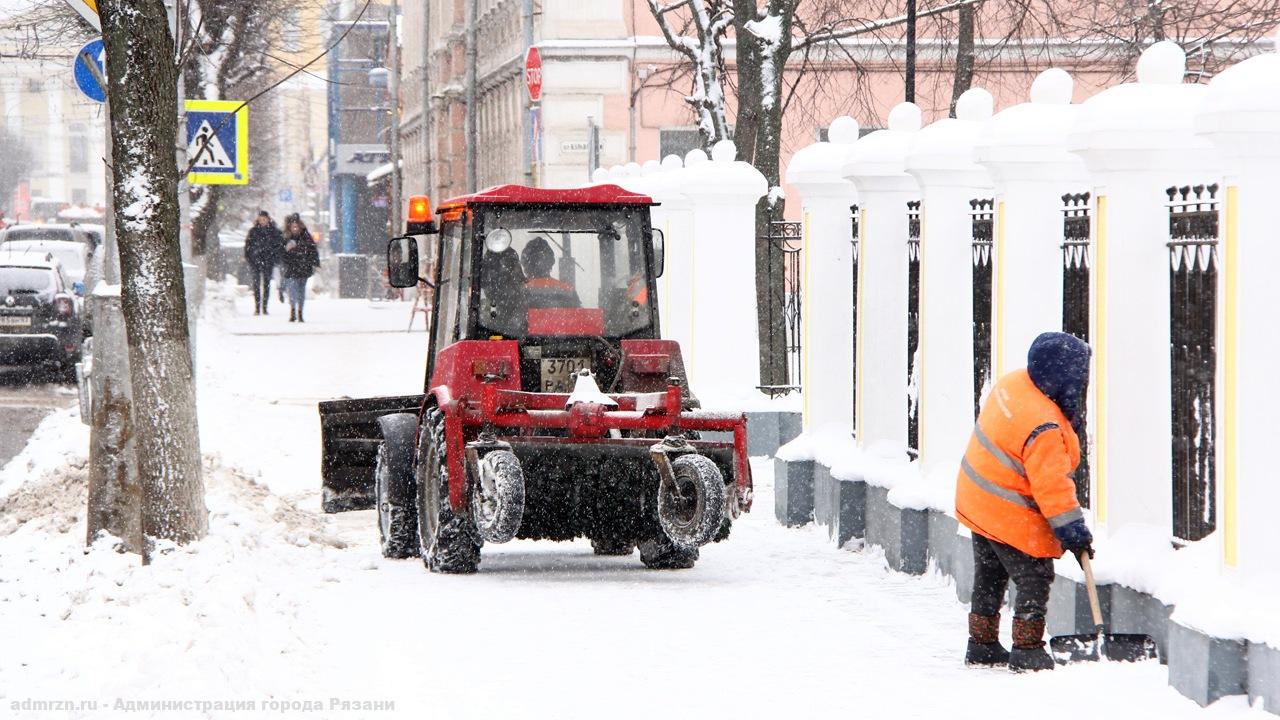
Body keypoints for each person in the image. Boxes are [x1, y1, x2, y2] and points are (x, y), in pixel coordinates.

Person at [956, 331, 1094, 673]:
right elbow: (1053, 489)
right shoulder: (1044, 425)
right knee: (1034, 576)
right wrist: (1074, 533)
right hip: (1007, 509)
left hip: (978, 500)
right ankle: (1027, 649)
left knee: (989, 574)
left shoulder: (1015, 384)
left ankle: (982, 643)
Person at [280, 213, 320, 322]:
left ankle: (300, 312)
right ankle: (293, 310)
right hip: (291, 268)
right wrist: (287, 251)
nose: (295, 229)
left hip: (303, 268)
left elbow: (313, 250)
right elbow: (281, 253)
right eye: (293, 226)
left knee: (301, 291)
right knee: (292, 290)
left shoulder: (306, 236)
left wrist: (315, 263)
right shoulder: (285, 238)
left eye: (296, 226)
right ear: (289, 227)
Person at [520, 236, 579, 308]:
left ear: (525, 264)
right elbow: (579, 316)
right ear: (551, 262)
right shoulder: (568, 291)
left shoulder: (520, 291)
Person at [244, 211, 284, 315]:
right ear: (258, 219)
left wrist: (275, 257)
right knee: (256, 284)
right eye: (261, 219)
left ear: (268, 219)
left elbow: (279, 246)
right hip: (255, 261)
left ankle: (265, 307)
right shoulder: (253, 231)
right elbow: (248, 246)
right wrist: (249, 257)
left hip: (268, 261)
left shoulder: (274, 231)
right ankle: (257, 308)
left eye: (264, 219)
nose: (262, 221)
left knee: (266, 284)